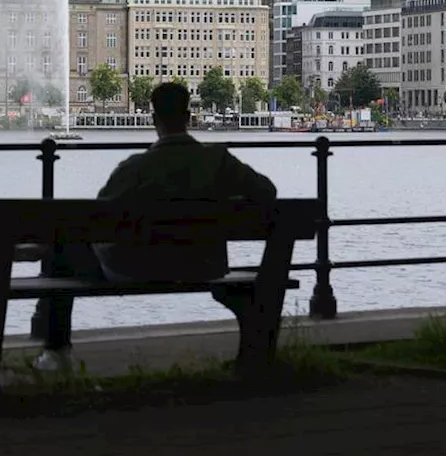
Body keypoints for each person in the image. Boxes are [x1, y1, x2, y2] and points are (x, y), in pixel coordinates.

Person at [34, 81, 277, 372]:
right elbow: (266, 191)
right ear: (188, 117)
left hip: (138, 267)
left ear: (154, 120)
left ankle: (55, 351)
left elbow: (95, 220)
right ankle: (256, 355)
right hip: (204, 264)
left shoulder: (136, 168)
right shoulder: (218, 161)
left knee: (60, 251)